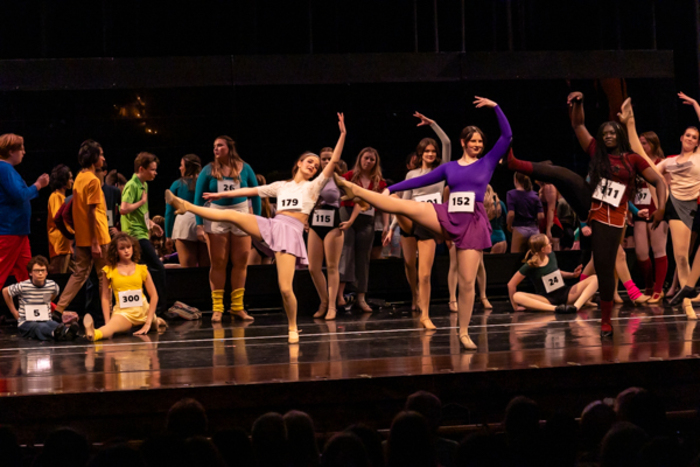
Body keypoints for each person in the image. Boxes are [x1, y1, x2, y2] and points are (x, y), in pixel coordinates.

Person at [332, 97, 511, 350]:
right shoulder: (450, 167)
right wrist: (390, 188)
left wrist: (496, 107)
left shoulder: (487, 162)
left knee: (467, 282)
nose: (478, 145)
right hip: (448, 213)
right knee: (408, 205)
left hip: (472, 221)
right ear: (463, 143)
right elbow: (416, 183)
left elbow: (506, 137)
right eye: (473, 141)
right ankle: (355, 190)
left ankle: (463, 331)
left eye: (480, 142)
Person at [167, 113, 346, 343]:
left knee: (284, 288)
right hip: (273, 225)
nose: (314, 166)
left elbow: (332, 164)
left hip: (290, 233)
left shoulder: (313, 187)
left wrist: (342, 134)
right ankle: (185, 206)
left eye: (316, 164)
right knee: (231, 214)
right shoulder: (281, 185)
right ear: (298, 163)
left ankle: (292, 327)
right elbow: (248, 191)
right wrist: (221, 194)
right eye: (309, 161)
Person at [504, 94, 667, 336]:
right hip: (591, 201)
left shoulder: (632, 159)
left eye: (613, 132)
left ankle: (606, 320)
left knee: (603, 266)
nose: (609, 135)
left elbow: (659, 181)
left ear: (620, 135)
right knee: (565, 175)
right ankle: (515, 163)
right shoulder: (597, 153)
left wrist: (661, 208)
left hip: (611, 216)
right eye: (605, 132)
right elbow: (578, 125)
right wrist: (578, 103)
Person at [386, 112, 452, 320]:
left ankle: (423, 301)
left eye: (433, 151)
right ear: (420, 154)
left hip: (430, 222)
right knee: (408, 263)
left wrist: (433, 124)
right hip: (410, 220)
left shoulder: (442, 170)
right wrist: (390, 228)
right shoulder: (411, 175)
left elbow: (447, 143)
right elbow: (404, 203)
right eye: (427, 151)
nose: (431, 154)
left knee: (425, 269)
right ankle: (414, 294)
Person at [195, 136, 261, 322]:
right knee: (218, 261)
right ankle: (217, 308)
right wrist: (199, 224)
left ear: (229, 147)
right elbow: (198, 200)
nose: (215, 149)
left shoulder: (245, 168)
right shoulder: (208, 170)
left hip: (241, 213)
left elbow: (256, 195)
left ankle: (237, 307)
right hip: (217, 214)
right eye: (214, 146)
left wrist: (256, 219)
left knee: (240, 262)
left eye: (219, 145)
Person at [54, 140, 112, 319]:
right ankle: (107, 315)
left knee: (79, 274)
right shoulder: (93, 181)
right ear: (94, 158)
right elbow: (92, 213)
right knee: (105, 276)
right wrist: (95, 242)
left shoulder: (79, 177)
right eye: (100, 154)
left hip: (82, 237)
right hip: (98, 237)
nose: (103, 158)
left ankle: (58, 310)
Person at [83, 232, 167, 341]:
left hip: (144, 311)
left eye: (128, 247)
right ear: (116, 251)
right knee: (110, 328)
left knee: (156, 324)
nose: (126, 251)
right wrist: (108, 322)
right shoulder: (109, 270)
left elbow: (154, 296)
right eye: (122, 248)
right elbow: (105, 297)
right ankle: (93, 334)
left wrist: (148, 323)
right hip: (123, 313)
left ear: (133, 248)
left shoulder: (142, 269)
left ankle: (158, 320)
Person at [338, 147, 389, 312]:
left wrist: (386, 226)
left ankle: (361, 297)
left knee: (363, 258)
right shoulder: (349, 176)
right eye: (366, 158)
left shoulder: (379, 181)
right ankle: (339, 295)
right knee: (346, 253)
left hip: (367, 219)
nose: (368, 162)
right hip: (347, 216)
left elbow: (384, 206)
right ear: (360, 159)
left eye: (372, 159)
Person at [120, 152, 168, 317]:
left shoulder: (144, 185)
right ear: (141, 169)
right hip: (134, 235)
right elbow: (123, 209)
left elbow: (141, 212)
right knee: (157, 268)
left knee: (143, 271)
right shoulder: (132, 185)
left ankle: (148, 308)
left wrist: (152, 224)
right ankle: (160, 309)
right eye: (152, 170)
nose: (155, 173)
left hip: (142, 232)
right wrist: (140, 201)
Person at [0, 134, 49, 291]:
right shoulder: (4, 168)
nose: (24, 152)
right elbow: (20, 195)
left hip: (18, 232)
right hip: (10, 231)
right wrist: (38, 185)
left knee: (27, 275)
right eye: (21, 149)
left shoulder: (8, 170)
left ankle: (44, 308)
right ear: (11, 151)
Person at [507, 234, 598, 313]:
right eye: (548, 243)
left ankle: (575, 307)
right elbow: (511, 284)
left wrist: (572, 275)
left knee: (595, 278)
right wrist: (515, 306)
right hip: (546, 299)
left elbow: (556, 272)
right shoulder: (530, 264)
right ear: (543, 249)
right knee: (517, 296)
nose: (551, 244)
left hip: (564, 293)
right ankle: (556, 309)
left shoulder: (551, 255)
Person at [2, 256, 78, 341]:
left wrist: (46, 302)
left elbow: (55, 293)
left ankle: (68, 332)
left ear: (46, 272)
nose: (40, 273)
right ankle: (54, 334)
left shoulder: (52, 285)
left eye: (43, 270)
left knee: (54, 324)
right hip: (27, 322)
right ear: (30, 273)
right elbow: (6, 291)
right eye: (37, 271)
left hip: (45, 318)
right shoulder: (23, 286)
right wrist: (14, 312)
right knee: (39, 326)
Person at [308, 148, 346, 320]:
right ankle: (323, 301)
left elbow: (360, 200)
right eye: (323, 159)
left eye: (330, 158)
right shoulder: (313, 179)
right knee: (313, 267)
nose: (326, 161)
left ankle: (332, 306)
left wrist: (350, 220)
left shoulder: (340, 180)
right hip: (315, 222)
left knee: (332, 266)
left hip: (333, 223)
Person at [631, 131, 668, 303]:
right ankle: (648, 285)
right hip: (639, 211)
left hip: (657, 211)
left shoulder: (661, 163)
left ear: (653, 144)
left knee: (659, 249)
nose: (642, 146)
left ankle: (658, 290)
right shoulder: (636, 163)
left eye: (645, 143)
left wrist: (662, 209)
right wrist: (631, 210)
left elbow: (666, 188)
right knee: (641, 252)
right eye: (640, 142)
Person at [165, 154, 209, 268]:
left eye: (181, 165)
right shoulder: (206, 183)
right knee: (207, 268)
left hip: (184, 224)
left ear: (187, 167)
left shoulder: (177, 184)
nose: (180, 168)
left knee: (187, 269)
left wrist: (168, 235)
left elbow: (169, 212)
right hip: (206, 221)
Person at [47, 164, 74, 274]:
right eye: (70, 178)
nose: (72, 181)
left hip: (65, 245)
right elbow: (59, 218)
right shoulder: (56, 196)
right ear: (64, 180)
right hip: (59, 245)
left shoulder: (62, 197)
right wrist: (73, 234)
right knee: (58, 278)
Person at [507, 173, 543, 253]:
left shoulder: (511, 194)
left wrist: (509, 225)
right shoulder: (535, 194)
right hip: (534, 230)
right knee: (536, 256)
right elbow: (541, 216)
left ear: (515, 180)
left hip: (520, 229)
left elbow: (511, 214)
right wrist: (537, 225)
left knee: (515, 257)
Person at [249, 174, 276, 266]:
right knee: (263, 276)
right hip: (266, 246)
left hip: (258, 245)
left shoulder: (250, 205)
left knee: (253, 276)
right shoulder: (272, 207)